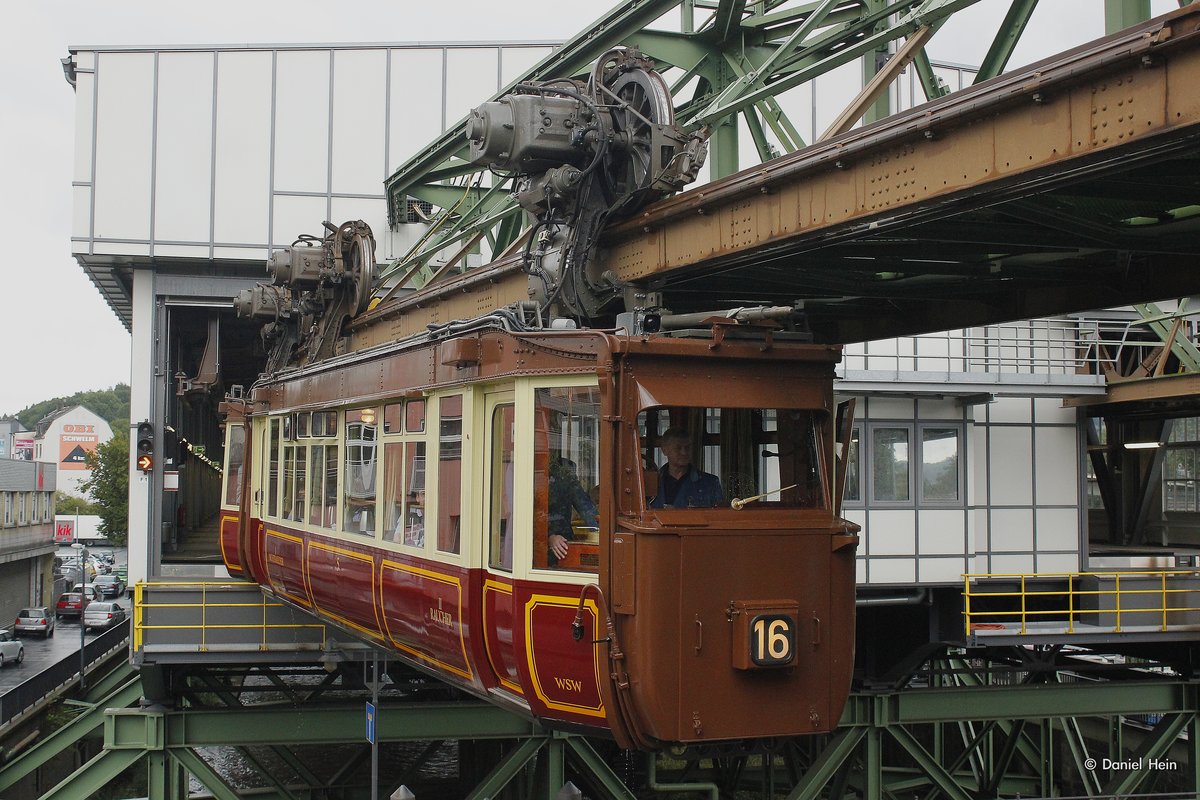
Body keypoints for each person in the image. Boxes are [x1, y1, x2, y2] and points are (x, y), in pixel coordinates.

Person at [650, 426, 723, 508]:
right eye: (678, 448)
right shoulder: (652, 483)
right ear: (664, 450)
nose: (684, 452)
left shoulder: (710, 483)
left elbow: (718, 516)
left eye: (687, 447)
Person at [547, 455, 597, 564]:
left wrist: (600, 529)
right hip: (537, 552)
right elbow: (530, 514)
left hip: (566, 543)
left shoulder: (565, 471)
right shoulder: (530, 468)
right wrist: (549, 537)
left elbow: (583, 504)